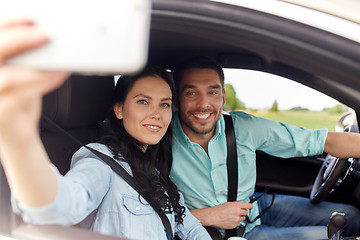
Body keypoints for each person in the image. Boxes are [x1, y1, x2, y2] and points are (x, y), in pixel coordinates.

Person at [0, 18, 211, 239]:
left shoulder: (156, 171)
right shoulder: (101, 162)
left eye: (164, 104)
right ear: (119, 109)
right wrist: (20, 142)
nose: (156, 114)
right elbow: (59, 207)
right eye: (142, 101)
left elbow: (190, 227)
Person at [169, 56, 360, 239]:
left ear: (223, 97)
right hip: (217, 234)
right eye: (191, 93)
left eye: (212, 92)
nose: (203, 104)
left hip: (254, 207)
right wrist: (207, 216)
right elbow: (147, 216)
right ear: (177, 99)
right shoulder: (160, 142)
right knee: (326, 236)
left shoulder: (243, 128)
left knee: (351, 216)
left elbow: (321, 140)